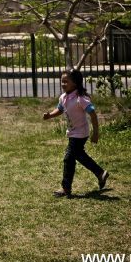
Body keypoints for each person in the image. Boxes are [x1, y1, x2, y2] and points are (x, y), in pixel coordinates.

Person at [43, 69, 109, 197]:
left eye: (66, 82)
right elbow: (60, 109)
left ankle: (66, 188)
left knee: (69, 158)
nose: (63, 84)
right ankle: (100, 173)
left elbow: (93, 115)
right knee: (77, 157)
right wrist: (50, 115)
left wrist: (95, 133)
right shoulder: (63, 97)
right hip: (73, 133)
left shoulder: (81, 99)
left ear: (75, 83)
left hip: (80, 134)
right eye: (62, 81)